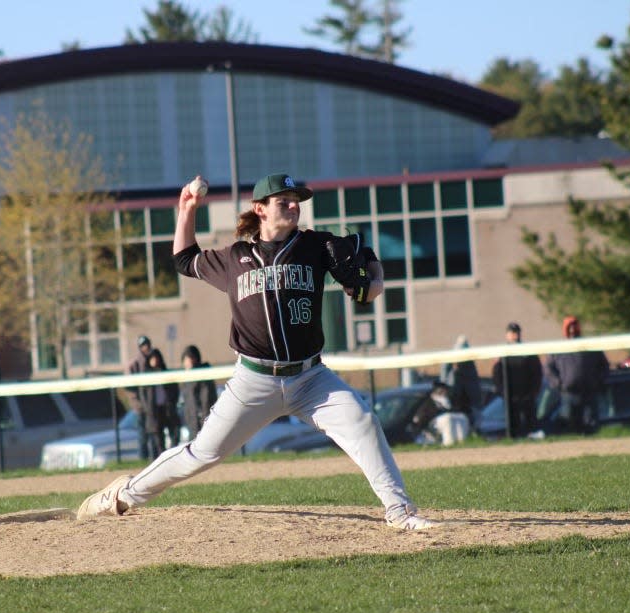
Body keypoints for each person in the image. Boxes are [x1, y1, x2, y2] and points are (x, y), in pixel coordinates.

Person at [78, 172, 438, 530]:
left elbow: (369, 273)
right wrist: (185, 209)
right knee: (203, 454)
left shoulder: (317, 247)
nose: (295, 206)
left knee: (363, 423)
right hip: (254, 381)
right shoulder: (235, 258)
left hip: (311, 378)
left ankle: (400, 511)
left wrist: (374, 273)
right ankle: (122, 495)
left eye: (297, 200)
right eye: (284, 200)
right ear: (260, 209)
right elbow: (184, 260)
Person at [544, 316, 609, 435]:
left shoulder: (589, 346)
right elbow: (548, 368)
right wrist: (558, 384)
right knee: (569, 423)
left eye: (574, 326)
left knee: (590, 424)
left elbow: (604, 366)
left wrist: (598, 381)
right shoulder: (558, 349)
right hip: (569, 393)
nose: (572, 330)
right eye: (569, 327)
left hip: (589, 392)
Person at [492, 322, 544, 438]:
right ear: (507, 335)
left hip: (527, 396)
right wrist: (503, 393)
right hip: (510, 397)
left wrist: (533, 393)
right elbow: (497, 376)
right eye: (512, 333)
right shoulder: (502, 354)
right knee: (512, 426)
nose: (515, 335)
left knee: (530, 424)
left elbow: (537, 374)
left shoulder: (528, 352)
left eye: (517, 332)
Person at [439, 334, 482, 427]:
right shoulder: (451, 371)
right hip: (454, 400)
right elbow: (445, 380)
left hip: (467, 402)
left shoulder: (469, 368)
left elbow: (474, 389)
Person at [126, 335, 157, 460]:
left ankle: (155, 456)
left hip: (152, 405)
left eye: (147, 345)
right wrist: (138, 399)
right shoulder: (135, 364)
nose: (146, 348)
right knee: (142, 434)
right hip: (140, 406)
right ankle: (143, 459)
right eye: (143, 345)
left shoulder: (154, 360)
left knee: (154, 433)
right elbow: (129, 385)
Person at [179, 344, 218, 439]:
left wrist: (204, 416)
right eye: (186, 359)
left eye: (190, 358)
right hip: (192, 421)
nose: (188, 362)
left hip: (203, 419)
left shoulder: (203, 375)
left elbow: (206, 399)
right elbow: (187, 401)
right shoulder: (186, 378)